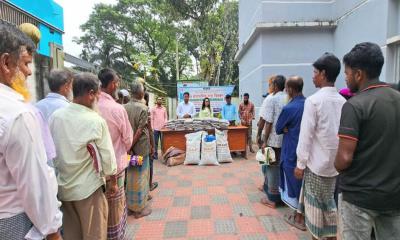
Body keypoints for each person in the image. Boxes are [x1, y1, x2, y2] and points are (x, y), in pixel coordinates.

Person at [0, 20, 62, 240]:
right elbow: (35, 188)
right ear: (6, 63)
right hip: (14, 225)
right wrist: (53, 232)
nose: (28, 72)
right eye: (25, 63)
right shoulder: (17, 114)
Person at [335, 42, 400, 240]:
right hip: (393, 196)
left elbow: (344, 159)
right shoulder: (397, 98)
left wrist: (335, 164)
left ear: (358, 74)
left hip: (358, 197)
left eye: (346, 73)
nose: (345, 78)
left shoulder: (355, 106)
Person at [50, 73, 118, 240]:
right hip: (89, 191)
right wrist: (113, 183)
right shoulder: (94, 120)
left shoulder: (55, 117)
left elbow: (50, 154)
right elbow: (108, 159)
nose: (97, 100)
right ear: (90, 94)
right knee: (95, 235)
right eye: (97, 96)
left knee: (72, 235)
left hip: (64, 190)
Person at [295, 53, 345, 240]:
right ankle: (331, 236)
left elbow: (306, 136)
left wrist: (300, 164)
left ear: (323, 74)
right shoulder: (342, 101)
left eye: (315, 72)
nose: (313, 76)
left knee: (316, 209)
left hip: (316, 166)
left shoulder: (313, 101)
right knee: (329, 203)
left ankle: (320, 236)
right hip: (334, 167)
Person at [97, 68, 133, 240]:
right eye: (117, 82)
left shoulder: (91, 105)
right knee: (115, 211)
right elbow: (128, 139)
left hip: (94, 171)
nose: (117, 85)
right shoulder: (117, 109)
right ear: (112, 85)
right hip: (116, 168)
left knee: (98, 211)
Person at [275, 76, 306, 231]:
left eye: (287, 88)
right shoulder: (309, 104)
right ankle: (303, 214)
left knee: (293, 182)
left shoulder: (289, 108)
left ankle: (298, 216)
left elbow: (278, 128)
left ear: (291, 90)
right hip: (307, 153)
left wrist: (287, 128)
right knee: (304, 184)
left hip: (292, 151)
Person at [124, 80, 152, 218]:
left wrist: (127, 147)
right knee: (141, 176)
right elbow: (140, 130)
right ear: (141, 92)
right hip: (139, 148)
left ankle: (130, 207)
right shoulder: (143, 108)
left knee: (130, 175)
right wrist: (131, 145)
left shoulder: (124, 107)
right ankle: (139, 209)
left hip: (128, 150)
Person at [260, 75, 287, 208]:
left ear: (275, 86)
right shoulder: (287, 97)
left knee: (271, 166)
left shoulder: (272, 98)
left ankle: (272, 198)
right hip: (285, 139)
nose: (269, 86)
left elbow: (268, 122)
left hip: (273, 139)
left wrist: (264, 140)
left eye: (270, 84)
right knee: (280, 167)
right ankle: (282, 196)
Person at [144, 92, 158, 192]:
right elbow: (148, 130)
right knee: (148, 163)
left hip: (131, 147)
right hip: (144, 145)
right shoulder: (145, 110)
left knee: (134, 166)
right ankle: (148, 185)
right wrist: (153, 147)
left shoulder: (126, 107)